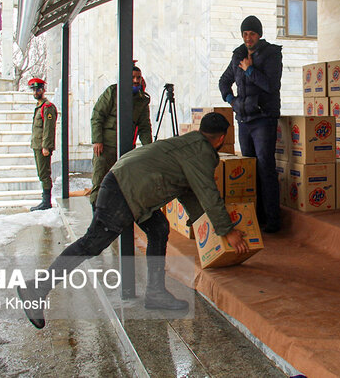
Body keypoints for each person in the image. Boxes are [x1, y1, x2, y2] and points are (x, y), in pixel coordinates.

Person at [17, 112, 249, 329]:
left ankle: (156, 292)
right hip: (124, 190)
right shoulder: (202, 153)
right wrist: (227, 231)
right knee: (92, 243)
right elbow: (208, 193)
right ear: (221, 139)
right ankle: (37, 288)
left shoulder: (189, 143)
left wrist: (203, 225)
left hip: (127, 183)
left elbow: (189, 192)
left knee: (158, 228)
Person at [219, 15, 283, 233]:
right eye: (245, 34)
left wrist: (249, 71)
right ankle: (257, 216)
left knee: (266, 168)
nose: (248, 38)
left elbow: (271, 86)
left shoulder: (272, 54)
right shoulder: (238, 55)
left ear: (259, 35)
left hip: (264, 119)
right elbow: (224, 81)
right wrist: (232, 101)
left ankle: (273, 220)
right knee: (251, 169)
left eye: (252, 34)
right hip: (244, 120)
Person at [90, 65, 152, 209]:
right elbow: (97, 116)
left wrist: (149, 148)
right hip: (105, 147)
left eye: (138, 78)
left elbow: (144, 127)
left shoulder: (142, 100)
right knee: (99, 182)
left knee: (123, 185)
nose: (136, 81)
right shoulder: (113, 92)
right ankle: (97, 218)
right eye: (132, 78)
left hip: (126, 148)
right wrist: (97, 140)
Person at [28, 78, 57, 211]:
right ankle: (44, 200)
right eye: (34, 90)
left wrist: (46, 146)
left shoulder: (47, 107)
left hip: (42, 146)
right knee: (41, 173)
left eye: (38, 89)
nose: (35, 92)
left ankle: (46, 202)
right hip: (37, 145)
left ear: (43, 90)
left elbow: (48, 128)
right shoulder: (39, 106)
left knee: (44, 173)